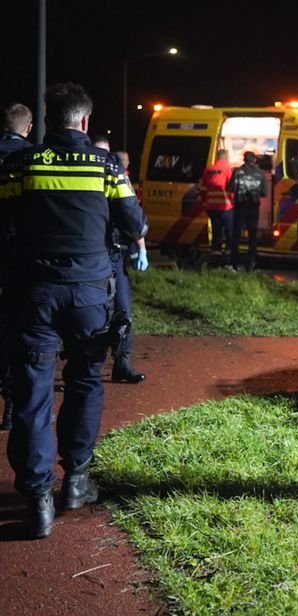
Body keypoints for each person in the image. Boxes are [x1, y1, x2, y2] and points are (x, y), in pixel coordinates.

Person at [0, 82, 147, 539]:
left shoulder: (20, 163)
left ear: (45, 118)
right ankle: (76, 482)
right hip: (89, 296)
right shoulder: (107, 166)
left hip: (34, 293)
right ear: (84, 121)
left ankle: (38, 499)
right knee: (84, 382)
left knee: (32, 392)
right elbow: (134, 223)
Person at [91, 138, 149, 383]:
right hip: (95, 256)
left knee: (124, 310)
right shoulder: (88, 181)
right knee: (95, 313)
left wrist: (141, 249)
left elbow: (134, 220)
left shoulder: (116, 178)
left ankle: (122, 362)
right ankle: (90, 365)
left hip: (116, 254)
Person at [0, 102, 35, 431]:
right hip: (17, 254)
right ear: (28, 127)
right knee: (14, 328)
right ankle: (11, 403)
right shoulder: (32, 158)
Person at [228, 151, 267, 272]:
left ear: (244, 160)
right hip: (253, 207)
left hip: (240, 206)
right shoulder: (261, 174)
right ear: (255, 160)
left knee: (236, 236)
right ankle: (250, 264)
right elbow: (264, 193)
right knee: (252, 236)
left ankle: (233, 264)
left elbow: (231, 189)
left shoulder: (237, 172)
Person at [199, 149, 236, 267]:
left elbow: (202, 189)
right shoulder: (228, 169)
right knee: (230, 234)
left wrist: (205, 203)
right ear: (226, 158)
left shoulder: (209, 169)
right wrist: (234, 202)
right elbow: (232, 189)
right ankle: (229, 260)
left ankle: (215, 261)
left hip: (212, 207)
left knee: (216, 234)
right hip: (225, 208)